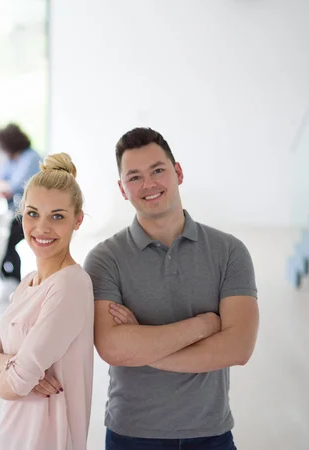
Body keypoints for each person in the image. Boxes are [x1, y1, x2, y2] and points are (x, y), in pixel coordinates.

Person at [83, 127, 259, 450]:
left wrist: (143, 348)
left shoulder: (230, 252)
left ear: (177, 172)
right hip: (131, 434)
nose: (148, 184)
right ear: (122, 189)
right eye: (134, 177)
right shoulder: (104, 260)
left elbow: (239, 348)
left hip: (211, 433)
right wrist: (204, 325)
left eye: (158, 170)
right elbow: (112, 347)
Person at [0, 153, 94, 450]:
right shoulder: (28, 283)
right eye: (32, 213)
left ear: (77, 220)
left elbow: (8, 386)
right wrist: (14, 365)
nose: (41, 228)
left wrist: (8, 372)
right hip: (11, 437)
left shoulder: (70, 286)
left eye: (57, 216)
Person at [0, 123, 41, 284]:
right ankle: (10, 280)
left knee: (5, 242)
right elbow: (0, 181)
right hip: (18, 210)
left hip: (34, 212)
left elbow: (12, 187)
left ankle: (12, 281)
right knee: (3, 242)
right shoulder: (13, 159)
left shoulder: (30, 157)